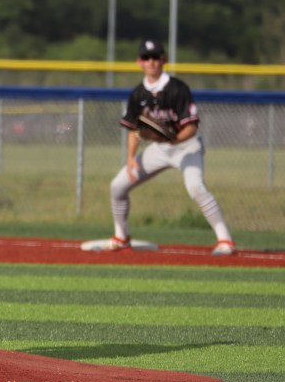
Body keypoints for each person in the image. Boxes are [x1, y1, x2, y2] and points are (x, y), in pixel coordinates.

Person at [100, 39, 236, 256]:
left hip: (187, 147)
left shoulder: (177, 89)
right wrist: (130, 158)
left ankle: (225, 240)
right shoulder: (138, 94)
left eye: (155, 57)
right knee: (117, 186)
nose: (151, 62)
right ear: (139, 62)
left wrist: (173, 139)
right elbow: (134, 130)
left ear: (164, 60)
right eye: (146, 58)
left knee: (196, 187)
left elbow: (191, 127)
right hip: (160, 149)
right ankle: (121, 237)